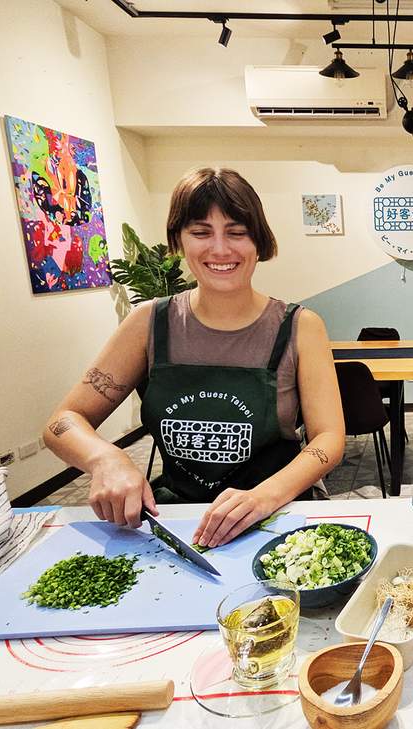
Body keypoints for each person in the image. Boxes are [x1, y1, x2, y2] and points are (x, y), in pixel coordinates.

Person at [43, 167, 345, 547]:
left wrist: (265, 496)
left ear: (259, 243)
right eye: (201, 232)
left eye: (236, 232)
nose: (220, 249)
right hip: (177, 518)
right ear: (179, 240)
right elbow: (63, 421)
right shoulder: (149, 323)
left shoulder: (300, 326)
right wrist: (105, 458)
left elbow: (329, 438)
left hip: (278, 516)